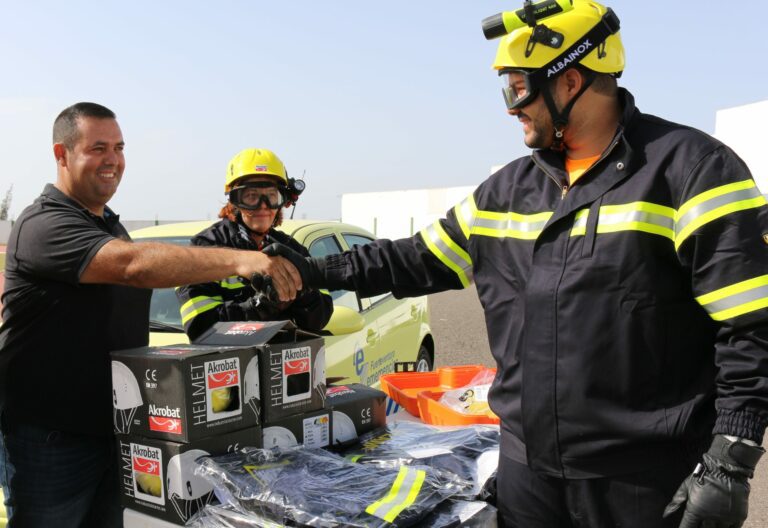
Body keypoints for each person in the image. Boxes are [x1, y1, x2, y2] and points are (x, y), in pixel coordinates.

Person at [273, 2, 768, 526]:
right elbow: (412, 258)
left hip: (644, 481)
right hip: (528, 476)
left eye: (518, 89)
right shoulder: (506, 192)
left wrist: (729, 461)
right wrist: (310, 270)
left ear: (571, 81)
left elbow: (752, 325)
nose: (511, 109)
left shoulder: (692, 170)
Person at [0, 102, 303, 528]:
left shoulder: (109, 225)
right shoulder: (44, 225)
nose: (113, 160)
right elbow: (134, 265)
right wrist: (242, 261)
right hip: (51, 441)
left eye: (119, 148)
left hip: (117, 431)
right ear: (61, 154)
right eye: (98, 148)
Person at [175, 148, 333, 341]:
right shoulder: (204, 248)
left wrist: (301, 292)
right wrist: (258, 307)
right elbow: (199, 327)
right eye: (251, 196)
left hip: (287, 358)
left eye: (271, 196)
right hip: (230, 360)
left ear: (283, 200)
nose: (263, 206)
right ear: (235, 200)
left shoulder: (292, 248)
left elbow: (321, 316)